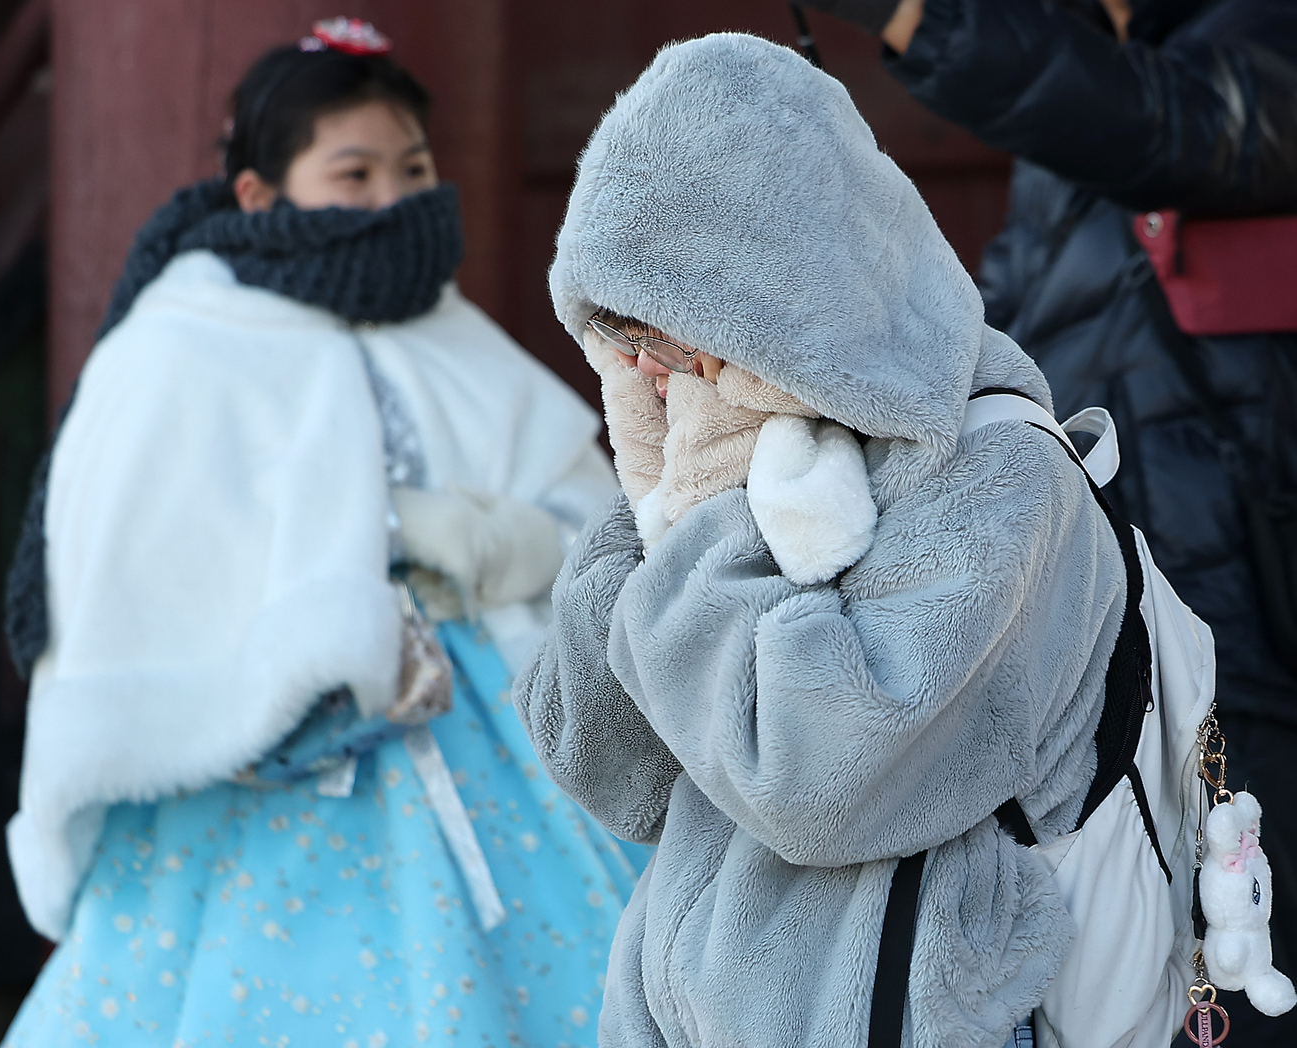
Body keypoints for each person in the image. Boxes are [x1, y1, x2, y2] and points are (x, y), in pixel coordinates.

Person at [0, 18, 644, 1047]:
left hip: (478, 718)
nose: (392, 199)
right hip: (252, 757)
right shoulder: (178, 342)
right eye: (352, 173)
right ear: (259, 193)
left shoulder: (440, 322)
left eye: (413, 167)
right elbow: (138, 549)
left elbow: (581, 510)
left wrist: (495, 540)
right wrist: (347, 558)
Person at [515, 32, 1133, 1048]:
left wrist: (706, 522)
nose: (655, 381)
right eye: (623, 349)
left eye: (665, 342)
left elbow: (817, 784)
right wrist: (644, 516)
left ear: (771, 306)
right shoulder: (739, 453)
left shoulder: (993, 476)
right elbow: (608, 770)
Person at [795, 0, 1297, 1039]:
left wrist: (913, 20)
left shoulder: (1241, 40)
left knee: (1255, 928)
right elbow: (1001, 325)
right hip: (1126, 587)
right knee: (1179, 953)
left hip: (1252, 581)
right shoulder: (1089, 89)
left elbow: (1170, 127)